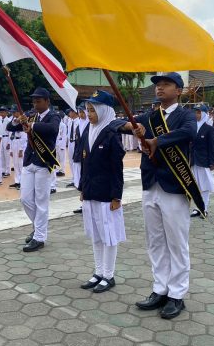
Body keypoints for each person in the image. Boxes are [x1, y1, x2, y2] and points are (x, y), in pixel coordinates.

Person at [120, 72, 198, 319]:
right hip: (150, 184)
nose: (159, 88)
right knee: (155, 241)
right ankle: (160, 289)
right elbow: (117, 125)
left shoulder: (185, 115)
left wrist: (157, 140)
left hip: (174, 185)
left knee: (176, 242)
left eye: (166, 84)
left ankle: (177, 294)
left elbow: (189, 133)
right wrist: (132, 127)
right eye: (157, 85)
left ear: (179, 90)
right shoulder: (150, 116)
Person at [78, 91, 125, 293]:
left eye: (93, 110)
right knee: (96, 235)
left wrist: (116, 196)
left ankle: (108, 275)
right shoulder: (88, 131)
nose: (89, 114)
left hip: (107, 193)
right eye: (88, 110)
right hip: (91, 191)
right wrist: (82, 188)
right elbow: (84, 163)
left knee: (109, 235)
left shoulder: (111, 133)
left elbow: (117, 168)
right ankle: (98, 272)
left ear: (104, 110)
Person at [6, 87, 61, 252]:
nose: (35, 104)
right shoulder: (31, 116)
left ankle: (39, 237)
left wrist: (32, 125)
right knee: (25, 199)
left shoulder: (54, 116)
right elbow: (10, 127)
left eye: (38, 101)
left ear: (47, 101)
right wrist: (18, 120)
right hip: (29, 162)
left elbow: (52, 129)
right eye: (34, 101)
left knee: (41, 201)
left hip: (43, 162)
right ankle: (38, 227)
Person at [190, 105, 214, 218]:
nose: (196, 114)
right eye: (195, 112)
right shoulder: (192, 127)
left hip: (203, 161)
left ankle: (204, 208)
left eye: (198, 112)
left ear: (204, 114)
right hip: (193, 161)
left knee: (205, 185)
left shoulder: (209, 129)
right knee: (196, 186)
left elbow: (212, 147)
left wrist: (212, 162)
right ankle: (197, 208)